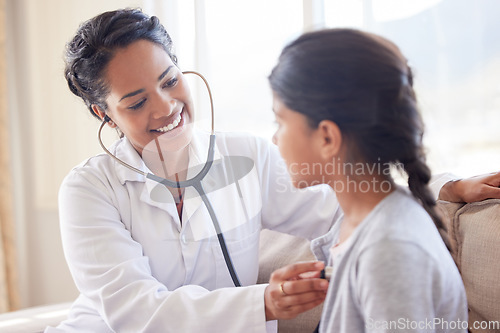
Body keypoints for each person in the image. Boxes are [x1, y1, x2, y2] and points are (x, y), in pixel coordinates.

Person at [48, 8, 333, 333]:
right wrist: (264, 303)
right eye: (137, 103)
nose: (166, 107)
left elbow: (339, 215)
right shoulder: (88, 189)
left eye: (170, 81)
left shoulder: (249, 156)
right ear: (105, 114)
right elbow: (138, 314)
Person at [268, 28, 468, 332]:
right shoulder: (360, 223)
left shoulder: (390, 250)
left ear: (326, 137)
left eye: (279, 121)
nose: (275, 138)